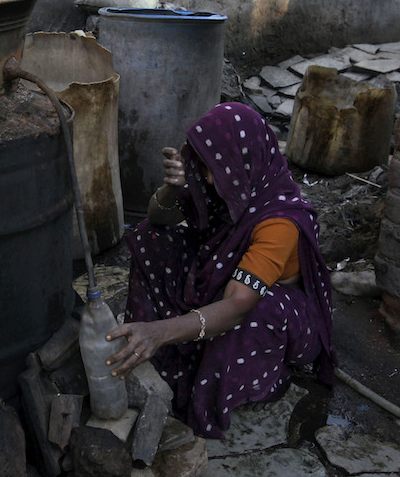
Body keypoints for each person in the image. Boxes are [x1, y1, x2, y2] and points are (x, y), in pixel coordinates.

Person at [105, 102, 336, 437]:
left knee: (260, 308)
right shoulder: (230, 184)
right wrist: (172, 188)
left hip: (273, 315)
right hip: (223, 281)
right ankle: (170, 345)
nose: (209, 176)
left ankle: (255, 379)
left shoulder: (279, 223)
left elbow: (237, 305)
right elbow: (156, 220)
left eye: (216, 166)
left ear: (243, 161)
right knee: (150, 239)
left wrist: (160, 332)